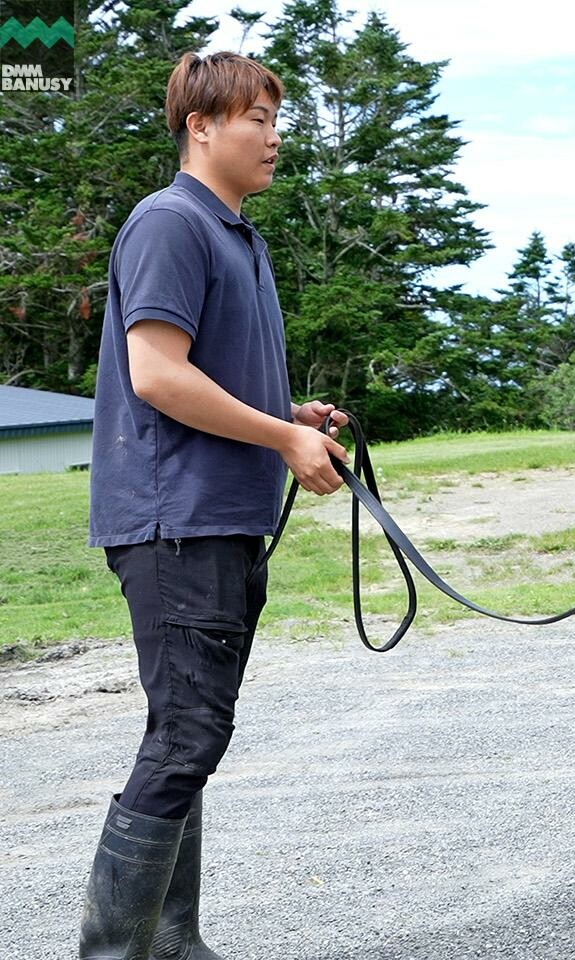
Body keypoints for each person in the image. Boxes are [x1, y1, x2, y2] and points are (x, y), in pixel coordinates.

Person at [80, 50, 350, 960]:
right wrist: (282, 441)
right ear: (202, 127)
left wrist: (289, 416)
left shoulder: (236, 233)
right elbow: (155, 375)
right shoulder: (170, 222)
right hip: (176, 522)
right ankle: (116, 953)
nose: (275, 137)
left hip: (222, 520)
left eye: (277, 120)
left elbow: (203, 373)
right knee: (188, 737)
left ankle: (170, 943)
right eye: (259, 120)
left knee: (185, 736)